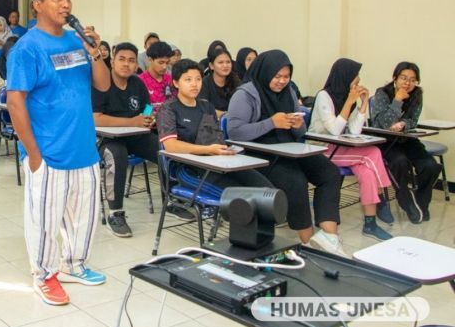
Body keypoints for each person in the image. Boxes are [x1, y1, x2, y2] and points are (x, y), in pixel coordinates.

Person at [7, 0, 110, 306]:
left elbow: (104, 85)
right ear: (38, 4)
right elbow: (15, 101)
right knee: (45, 221)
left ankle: (74, 264)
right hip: (48, 152)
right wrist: (33, 154)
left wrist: (94, 51)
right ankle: (44, 274)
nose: (66, 4)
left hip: (84, 148)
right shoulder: (27, 48)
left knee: (84, 217)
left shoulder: (76, 41)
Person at [227, 50, 345, 255]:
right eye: (277, 76)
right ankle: (308, 243)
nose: (282, 81)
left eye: (286, 76)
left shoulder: (288, 91)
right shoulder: (245, 94)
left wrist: (297, 124)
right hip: (259, 154)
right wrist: (271, 122)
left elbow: (299, 131)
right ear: (265, 72)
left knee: (330, 173)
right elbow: (235, 132)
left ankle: (330, 238)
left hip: (290, 148)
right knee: (294, 180)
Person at [309, 58, 394, 240]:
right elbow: (334, 129)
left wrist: (363, 104)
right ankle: (381, 197)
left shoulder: (350, 98)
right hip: (320, 148)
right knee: (373, 152)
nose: (357, 83)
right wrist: (349, 101)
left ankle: (370, 224)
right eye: (355, 79)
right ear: (343, 77)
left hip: (341, 147)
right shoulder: (325, 96)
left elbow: (355, 130)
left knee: (368, 172)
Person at [158, 58, 273, 190]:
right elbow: (171, 146)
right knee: (238, 194)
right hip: (187, 167)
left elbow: (215, 138)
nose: (194, 84)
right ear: (176, 83)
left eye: (198, 79)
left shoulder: (207, 106)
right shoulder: (168, 109)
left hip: (215, 161)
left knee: (265, 187)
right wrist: (209, 149)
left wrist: (222, 149)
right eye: (188, 80)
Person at [92, 42, 159, 238]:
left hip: (134, 135)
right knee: (117, 153)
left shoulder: (137, 83)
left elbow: (147, 107)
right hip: (104, 138)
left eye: (131, 60)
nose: (126, 64)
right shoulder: (100, 83)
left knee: (163, 148)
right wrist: (132, 121)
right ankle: (116, 213)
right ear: (112, 61)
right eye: (121, 59)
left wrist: (148, 118)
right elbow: (96, 118)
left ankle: (174, 199)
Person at [371, 61, 441, 223]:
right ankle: (406, 200)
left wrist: (403, 124)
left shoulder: (417, 94)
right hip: (386, 141)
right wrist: (397, 100)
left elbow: (413, 120)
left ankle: (421, 202)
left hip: (406, 139)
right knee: (399, 162)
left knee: (431, 166)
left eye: (412, 79)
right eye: (403, 78)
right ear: (395, 78)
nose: (407, 83)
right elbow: (383, 122)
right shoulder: (382, 93)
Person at [199, 47, 241, 117]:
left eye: (228, 62)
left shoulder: (236, 81)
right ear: (211, 66)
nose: (225, 65)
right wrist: (227, 115)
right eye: (220, 62)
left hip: (233, 121)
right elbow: (205, 109)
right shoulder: (204, 83)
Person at [139, 41, 174, 106]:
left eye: (167, 63)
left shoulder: (170, 79)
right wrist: (150, 113)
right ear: (150, 60)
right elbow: (141, 106)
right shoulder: (140, 81)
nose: (164, 67)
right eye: (161, 62)